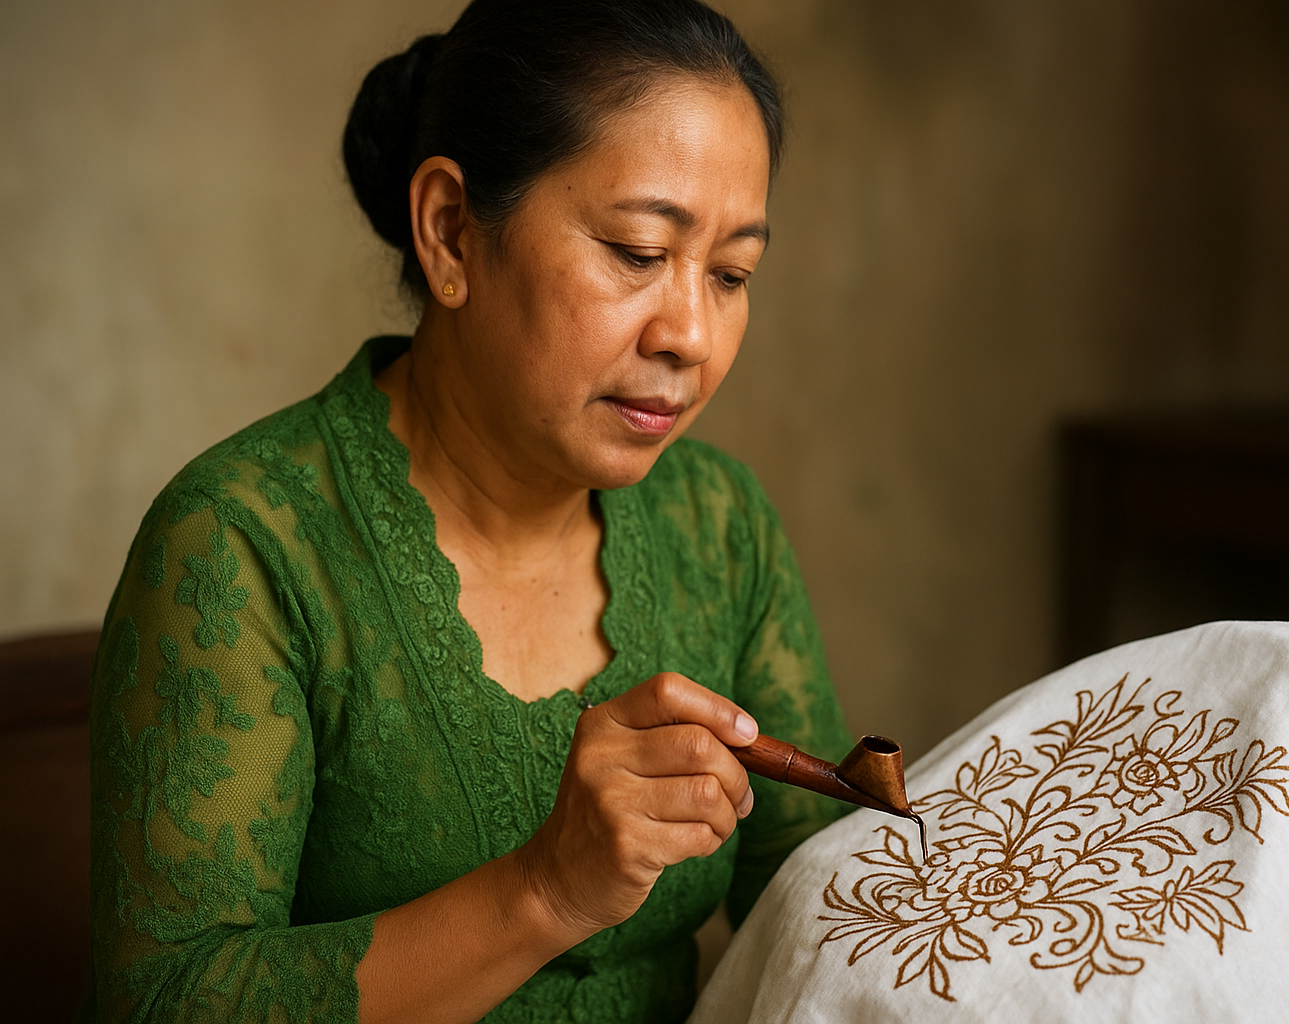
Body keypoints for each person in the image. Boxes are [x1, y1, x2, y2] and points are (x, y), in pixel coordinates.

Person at [84, 2, 852, 1022]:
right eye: (634, 251)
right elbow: (163, 1002)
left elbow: (824, 902)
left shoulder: (719, 524)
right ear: (451, 231)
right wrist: (545, 890)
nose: (692, 335)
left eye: (731, 273)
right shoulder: (242, 543)